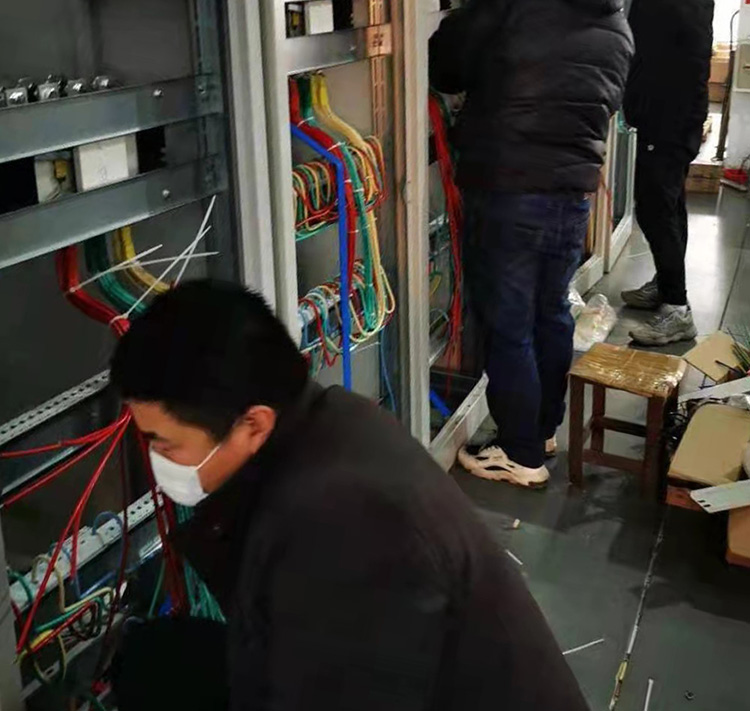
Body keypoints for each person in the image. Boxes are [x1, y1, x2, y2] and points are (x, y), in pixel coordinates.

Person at [109, 280, 591, 711]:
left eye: (163, 443)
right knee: (160, 660)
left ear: (253, 424)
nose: (156, 458)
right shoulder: (326, 424)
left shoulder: (342, 524)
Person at [429, 0, 632, 488]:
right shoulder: (615, 15)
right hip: (572, 190)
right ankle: (541, 429)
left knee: (508, 323)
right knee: (550, 313)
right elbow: (608, 97)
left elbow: (447, 66)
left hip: (508, 186)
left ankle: (520, 453)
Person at [606, 0, 714, 346]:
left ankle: (677, 309)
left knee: (654, 208)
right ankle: (667, 284)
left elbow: (646, 64)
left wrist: (632, 106)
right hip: (682, 117)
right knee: (671, 205)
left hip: (666, 121)